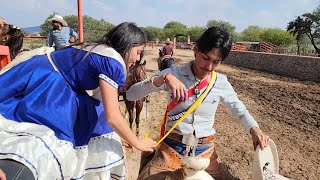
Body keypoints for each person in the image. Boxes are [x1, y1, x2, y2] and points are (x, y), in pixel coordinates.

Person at [0, 22, 156, 179]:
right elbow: (112, 115)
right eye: (138, 52)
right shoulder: (114, 62)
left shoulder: (97, 49)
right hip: (52, 85)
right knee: (48, 136)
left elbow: (101, 105)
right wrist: (137, 142)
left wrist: (120, 134)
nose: (137, 59)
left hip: (41, 71)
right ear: (128, 45)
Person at [126, 26, 270, 179]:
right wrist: (163, 78)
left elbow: (240, 111)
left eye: (216, 62)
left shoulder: (221, 82)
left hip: (206, 152)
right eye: (206, 58)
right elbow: (131, 94)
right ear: (196, 50)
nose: (209, 67)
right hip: (171, 149)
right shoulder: (173, 73)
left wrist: (255, 129)